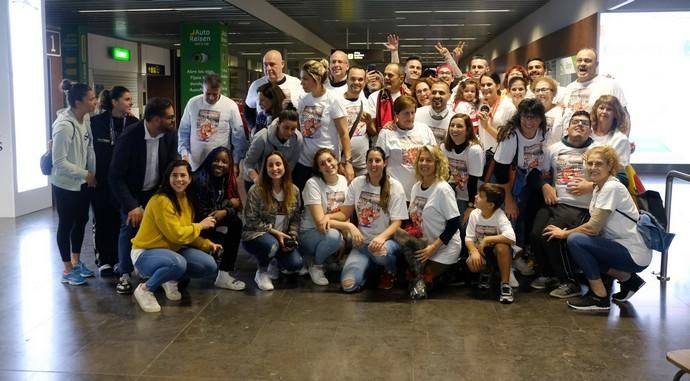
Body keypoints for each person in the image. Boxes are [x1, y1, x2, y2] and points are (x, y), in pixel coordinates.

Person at [543, 146, 651, 311]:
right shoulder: (600, 187)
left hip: (633, 252)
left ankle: (599, 297)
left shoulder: (610, 188)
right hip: (624, 247)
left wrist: (564, 233)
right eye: (590, 163)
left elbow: (593, 228)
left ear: (610, 166)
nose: (593, 168)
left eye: (599, 164)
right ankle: (629, 280)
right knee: (582, 247)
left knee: (575, 241)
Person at [130, 160, 221, 312]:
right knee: (177, 263)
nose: (179, 179)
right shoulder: (161, 200)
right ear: (168, 178)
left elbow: (184, 231)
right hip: (145, 252)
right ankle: (145, 289)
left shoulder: (185, 199)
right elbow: (177, 235)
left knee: (208, 265)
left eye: (183, 175)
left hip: (171, 251)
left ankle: (169, 279)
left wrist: (207, 244)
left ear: (190, 178)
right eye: (175, 175)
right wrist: (200, 225)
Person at [110, 98, 178, 294]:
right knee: (129, 226)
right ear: (155, 120)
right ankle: (124, 273)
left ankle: (156, 271)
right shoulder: (129, 137)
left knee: (161, 229)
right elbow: (115, 176)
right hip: (131, 192)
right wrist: (132, 205)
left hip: (156, 191)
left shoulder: (170, 135)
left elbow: (171, 166)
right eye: (170, 117)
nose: (173, 121)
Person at [530, 111, 598, 297]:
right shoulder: (554, 149)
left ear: (590, 129)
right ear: (567, 127)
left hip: (580, 205)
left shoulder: (598, 149)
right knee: (536, 234)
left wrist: (591, 185)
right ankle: (548, 274)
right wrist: (545, 186)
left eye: (585, 123)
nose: (580, 125)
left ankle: (569, 282)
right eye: (575, 121)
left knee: (551, 235)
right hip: (555, 201)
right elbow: (542, 175)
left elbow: (617, 178)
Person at [331, 147, 408, 292]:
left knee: (378, 252)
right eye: (370, 161)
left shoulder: (395, 187)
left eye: (377, 160)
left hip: (386, 243)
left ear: (385, 163)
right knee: (348, 286)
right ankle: (370, 268)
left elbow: (397, 223)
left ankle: (390, 271)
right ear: (365, 163)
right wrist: (328, 217)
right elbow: (344, 213)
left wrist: (381, 238)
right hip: (361, 246)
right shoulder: (357, 183)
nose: (374, 164)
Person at [49, 82, 98, 285]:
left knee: (81, 221)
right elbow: (58, 162)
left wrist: (91, 174)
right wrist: (85, 174)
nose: (95, 102)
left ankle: (76, 262)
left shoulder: (84, 119)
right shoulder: (64, 126)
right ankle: (67, 269)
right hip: (65, 185)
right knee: (66, 224)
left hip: (83, 182)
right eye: (91, 99)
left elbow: (89, 148)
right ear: (78, 102)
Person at [90, 86, 139, 276]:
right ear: (114, 102)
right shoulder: (96, 123)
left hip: (124, 183)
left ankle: (122, 260)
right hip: (100, 182)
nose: (130, 103)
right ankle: (104, 261)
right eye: (126, 99)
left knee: (124, 223)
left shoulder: (135, 124)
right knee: (103, 220)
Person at [403, 145, 463, 299]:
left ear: (437, 163)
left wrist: (433, 248)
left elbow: (454, 223)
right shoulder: (416, 187)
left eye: (429, 160)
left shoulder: (443, 189)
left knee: (421, 284)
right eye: (421, 160)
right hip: (425, 247)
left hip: (444, 247)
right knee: (407, 280)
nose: (424, 163)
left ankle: (453, 270)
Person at [242, 151, 304, 291]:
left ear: (285, 167)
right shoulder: (256, 190)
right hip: (255, 235)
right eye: (270, 165)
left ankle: (274, 261)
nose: (275, 168)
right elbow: (251, 220)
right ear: (265, 169)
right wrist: (275, 232)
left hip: (282, 238)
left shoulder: (294, 190)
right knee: (272, 244)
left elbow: (295, 218)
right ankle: (261, 272)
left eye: (278, 164)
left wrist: (292, 236)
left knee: (296, 264)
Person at [293, 59, 352, 190]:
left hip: (326, 162)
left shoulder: (333, 100)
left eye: (305, 79)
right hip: (305, 161)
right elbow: (300, 127)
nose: (301, 83)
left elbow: (344, 133)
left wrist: (347, 161)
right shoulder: (303, 100)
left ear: (317, 79)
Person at [192, 146, 245, 291]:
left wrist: (226, 210)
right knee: (233, 224)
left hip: (210, 221)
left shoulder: (221, 179)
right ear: (209, 160)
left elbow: (233, 206)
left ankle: (224, 275)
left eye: (224, 162)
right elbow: (207, 215)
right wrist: (228, 207)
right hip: (196, 226)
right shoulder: (201, 180)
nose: (220, 165)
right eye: (216, 160)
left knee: (236, 223)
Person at [299, 149, 352, 285]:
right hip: (309, 233)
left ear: (336, 160)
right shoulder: (313, 184)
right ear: (318, 169)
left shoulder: (343, 180)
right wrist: (346, 227)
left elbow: (345, 212)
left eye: (330, 160)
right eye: (322, 164)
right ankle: (316, 266)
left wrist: (345, 237)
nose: (328, 165)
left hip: (330, 229)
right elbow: (320, 221)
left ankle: (324, 260)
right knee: (334, 237)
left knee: (349, 237)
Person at [178, 73, 245, 172]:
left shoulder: (230, 106)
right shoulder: (192, 103)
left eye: (215, 94)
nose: (211, 97)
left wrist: (236, 162)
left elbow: (238, 137)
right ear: (202, 89)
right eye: (208, 94)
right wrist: (184, 155)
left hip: (220, 165)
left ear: (220, 90)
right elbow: (184, 131)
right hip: (195, 164)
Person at [376, 96, 436, 201]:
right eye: (406, 113)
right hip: (397, 192)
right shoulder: (387, 133)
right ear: (396, 114)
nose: (410, 117)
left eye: (412, 112)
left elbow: (436, 157)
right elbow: (379, 162)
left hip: (423, 190)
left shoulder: (424, 129)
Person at [465, 183, 517, 303]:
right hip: (482, 252)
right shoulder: (474, 214)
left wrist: (487, 239)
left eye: (480, 196)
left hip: (496, 252)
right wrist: (473, 252)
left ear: (490, 205)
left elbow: (511, 236)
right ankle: (486, 272)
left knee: (502, 247)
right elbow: (468, 238)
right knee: (472, 263)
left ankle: (505, 284)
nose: (476, 196)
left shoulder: (499, 215)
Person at [560, 48, 630, 132]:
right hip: (572, 142)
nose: (582, 63)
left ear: (596, 64)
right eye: (579, 60)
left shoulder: (610, 85)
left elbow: (624, 117)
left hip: (600, 142)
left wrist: (623, 141)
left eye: (587, 61)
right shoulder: (569, 88)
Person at [243, 107, 303, 191]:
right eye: (286, 128)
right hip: (257, 177)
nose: (289, 132)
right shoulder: (262, 138)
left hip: (278, 179)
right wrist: (257, 180)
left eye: (293, 129)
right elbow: (248, 164)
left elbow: (290, 167)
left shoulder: (298, 139)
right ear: (278, 123)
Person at [244, 50, 304, 131]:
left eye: (272, 64)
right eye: (265, 65)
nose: (268, 68)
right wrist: (253, 127)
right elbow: (248, 110)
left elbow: (304, 111)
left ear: (282, 64)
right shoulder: (256, 85)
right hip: (264, 135)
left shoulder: (296, 84)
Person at [440, 113, 484, 224]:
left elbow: (473, 181)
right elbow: (444, 174)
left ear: (468, 130)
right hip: (454, 194)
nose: (454, 129)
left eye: (459, 126)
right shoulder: (444, 147)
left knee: (464, 226)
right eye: (452, 125)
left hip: (473, 196)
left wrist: (471, 206)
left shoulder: (474, 150)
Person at [339, 66, 372, 176]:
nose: (356, 82)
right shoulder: (336, 102)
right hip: (341, 164)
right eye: (352, 79)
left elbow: (372, 132)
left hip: (362, 165)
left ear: (365, 81)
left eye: (360, 79)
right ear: (347, 80)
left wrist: (369, 123)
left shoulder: (367, 103)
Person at [476, 72, 517, 157]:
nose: (485, 88)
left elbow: (507, 140)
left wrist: (487, 127)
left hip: (500, 157)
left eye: (489, 84)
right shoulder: (482, 105)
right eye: (482, 85)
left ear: (498, 86)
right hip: (484, 154)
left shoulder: (508, 107)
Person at [590, 95, 631, 167]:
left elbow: (620, 168)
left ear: (615, 114)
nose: (604, 112)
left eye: (609, 109)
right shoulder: (587, 133)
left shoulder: (621, 139)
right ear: (596, 110)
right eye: (601, 108)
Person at [367, 63, 408, 134]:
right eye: (385, 74)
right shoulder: (374, 97)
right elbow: (371, 128)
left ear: (401, 79)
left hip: (405, 140)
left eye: (390, 75)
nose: (386, 77)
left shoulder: (408, 96)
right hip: (381, 141)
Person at [414, 80, 453, 144]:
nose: (437, 96)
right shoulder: (416, 113)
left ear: (449, 96)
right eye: (434, 92)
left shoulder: (455, 118)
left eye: (441, 93)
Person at [532, 76, 565, 146]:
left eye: (544, 90)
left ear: (553, 92)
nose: (540, 93)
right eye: (537, 90)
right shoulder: (532, 114)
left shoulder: (562, 112)